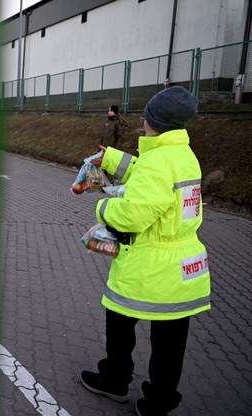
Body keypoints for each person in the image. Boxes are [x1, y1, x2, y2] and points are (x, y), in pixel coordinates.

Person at [80, 86, 211, 416]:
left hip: (149, 265)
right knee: (170, 344)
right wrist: (110, 158)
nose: (142, 121)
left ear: (156, 122)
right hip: (181, 265)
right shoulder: (182, 155)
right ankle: (159, 402)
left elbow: (134, 213)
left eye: (147, 116)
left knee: (120, 322)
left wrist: (104, 208)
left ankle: (115, 381)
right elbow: (145, 174)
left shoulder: (158, 161)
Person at [100, 105, 126, 183]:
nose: (109, 112)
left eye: (111, 111)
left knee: (110, 168)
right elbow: (104, 134)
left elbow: (120, 137)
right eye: (108, 111)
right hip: (104, 147)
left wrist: (115, 149)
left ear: (115, 112)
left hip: (112, 149)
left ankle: (108, 184)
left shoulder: (119, 122)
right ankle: (103, 183)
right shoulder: (107, 121)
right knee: (103, 165)